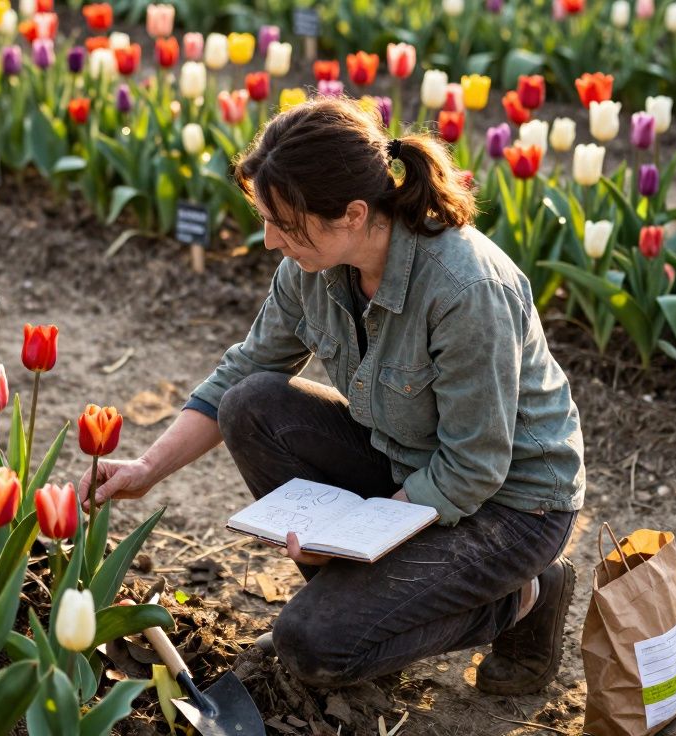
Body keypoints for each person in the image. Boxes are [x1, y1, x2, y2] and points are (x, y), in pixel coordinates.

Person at [79, 96, 585, 695]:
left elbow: (473, 467)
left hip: (511, 506)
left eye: (283, 224)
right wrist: (146, 468)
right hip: (407, 459)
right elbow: (241, 371)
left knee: (314, 647)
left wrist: (354, 541)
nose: (269, 240)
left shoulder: (464, 288)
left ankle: (524, 595)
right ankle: (358, 602)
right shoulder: (311, 267)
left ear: (351, 213)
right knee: (252, 404)